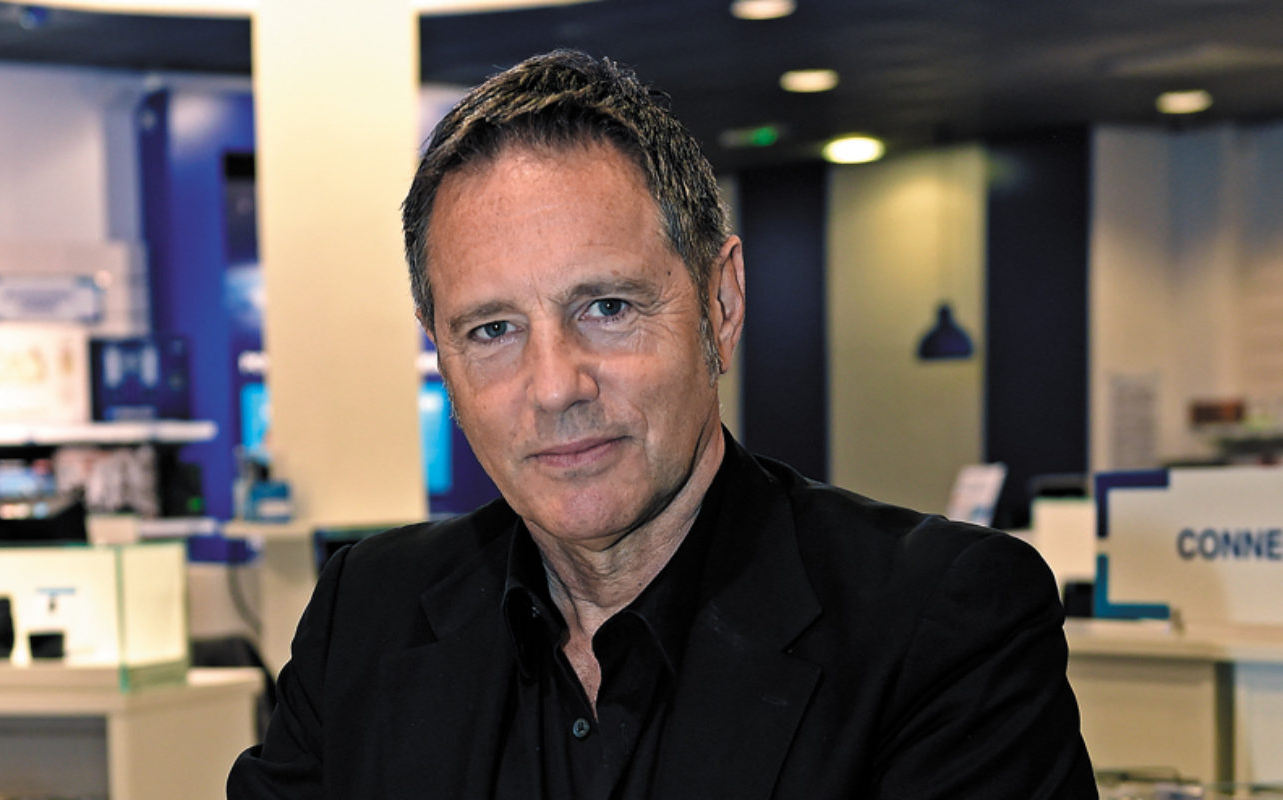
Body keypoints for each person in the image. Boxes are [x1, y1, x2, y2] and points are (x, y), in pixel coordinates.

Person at [228, 49, 1096, 799]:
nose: (554, 387)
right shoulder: (366, 616)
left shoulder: (941, 627)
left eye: (607, 307)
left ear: (721, 304)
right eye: (492, 330)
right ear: (441, 354)